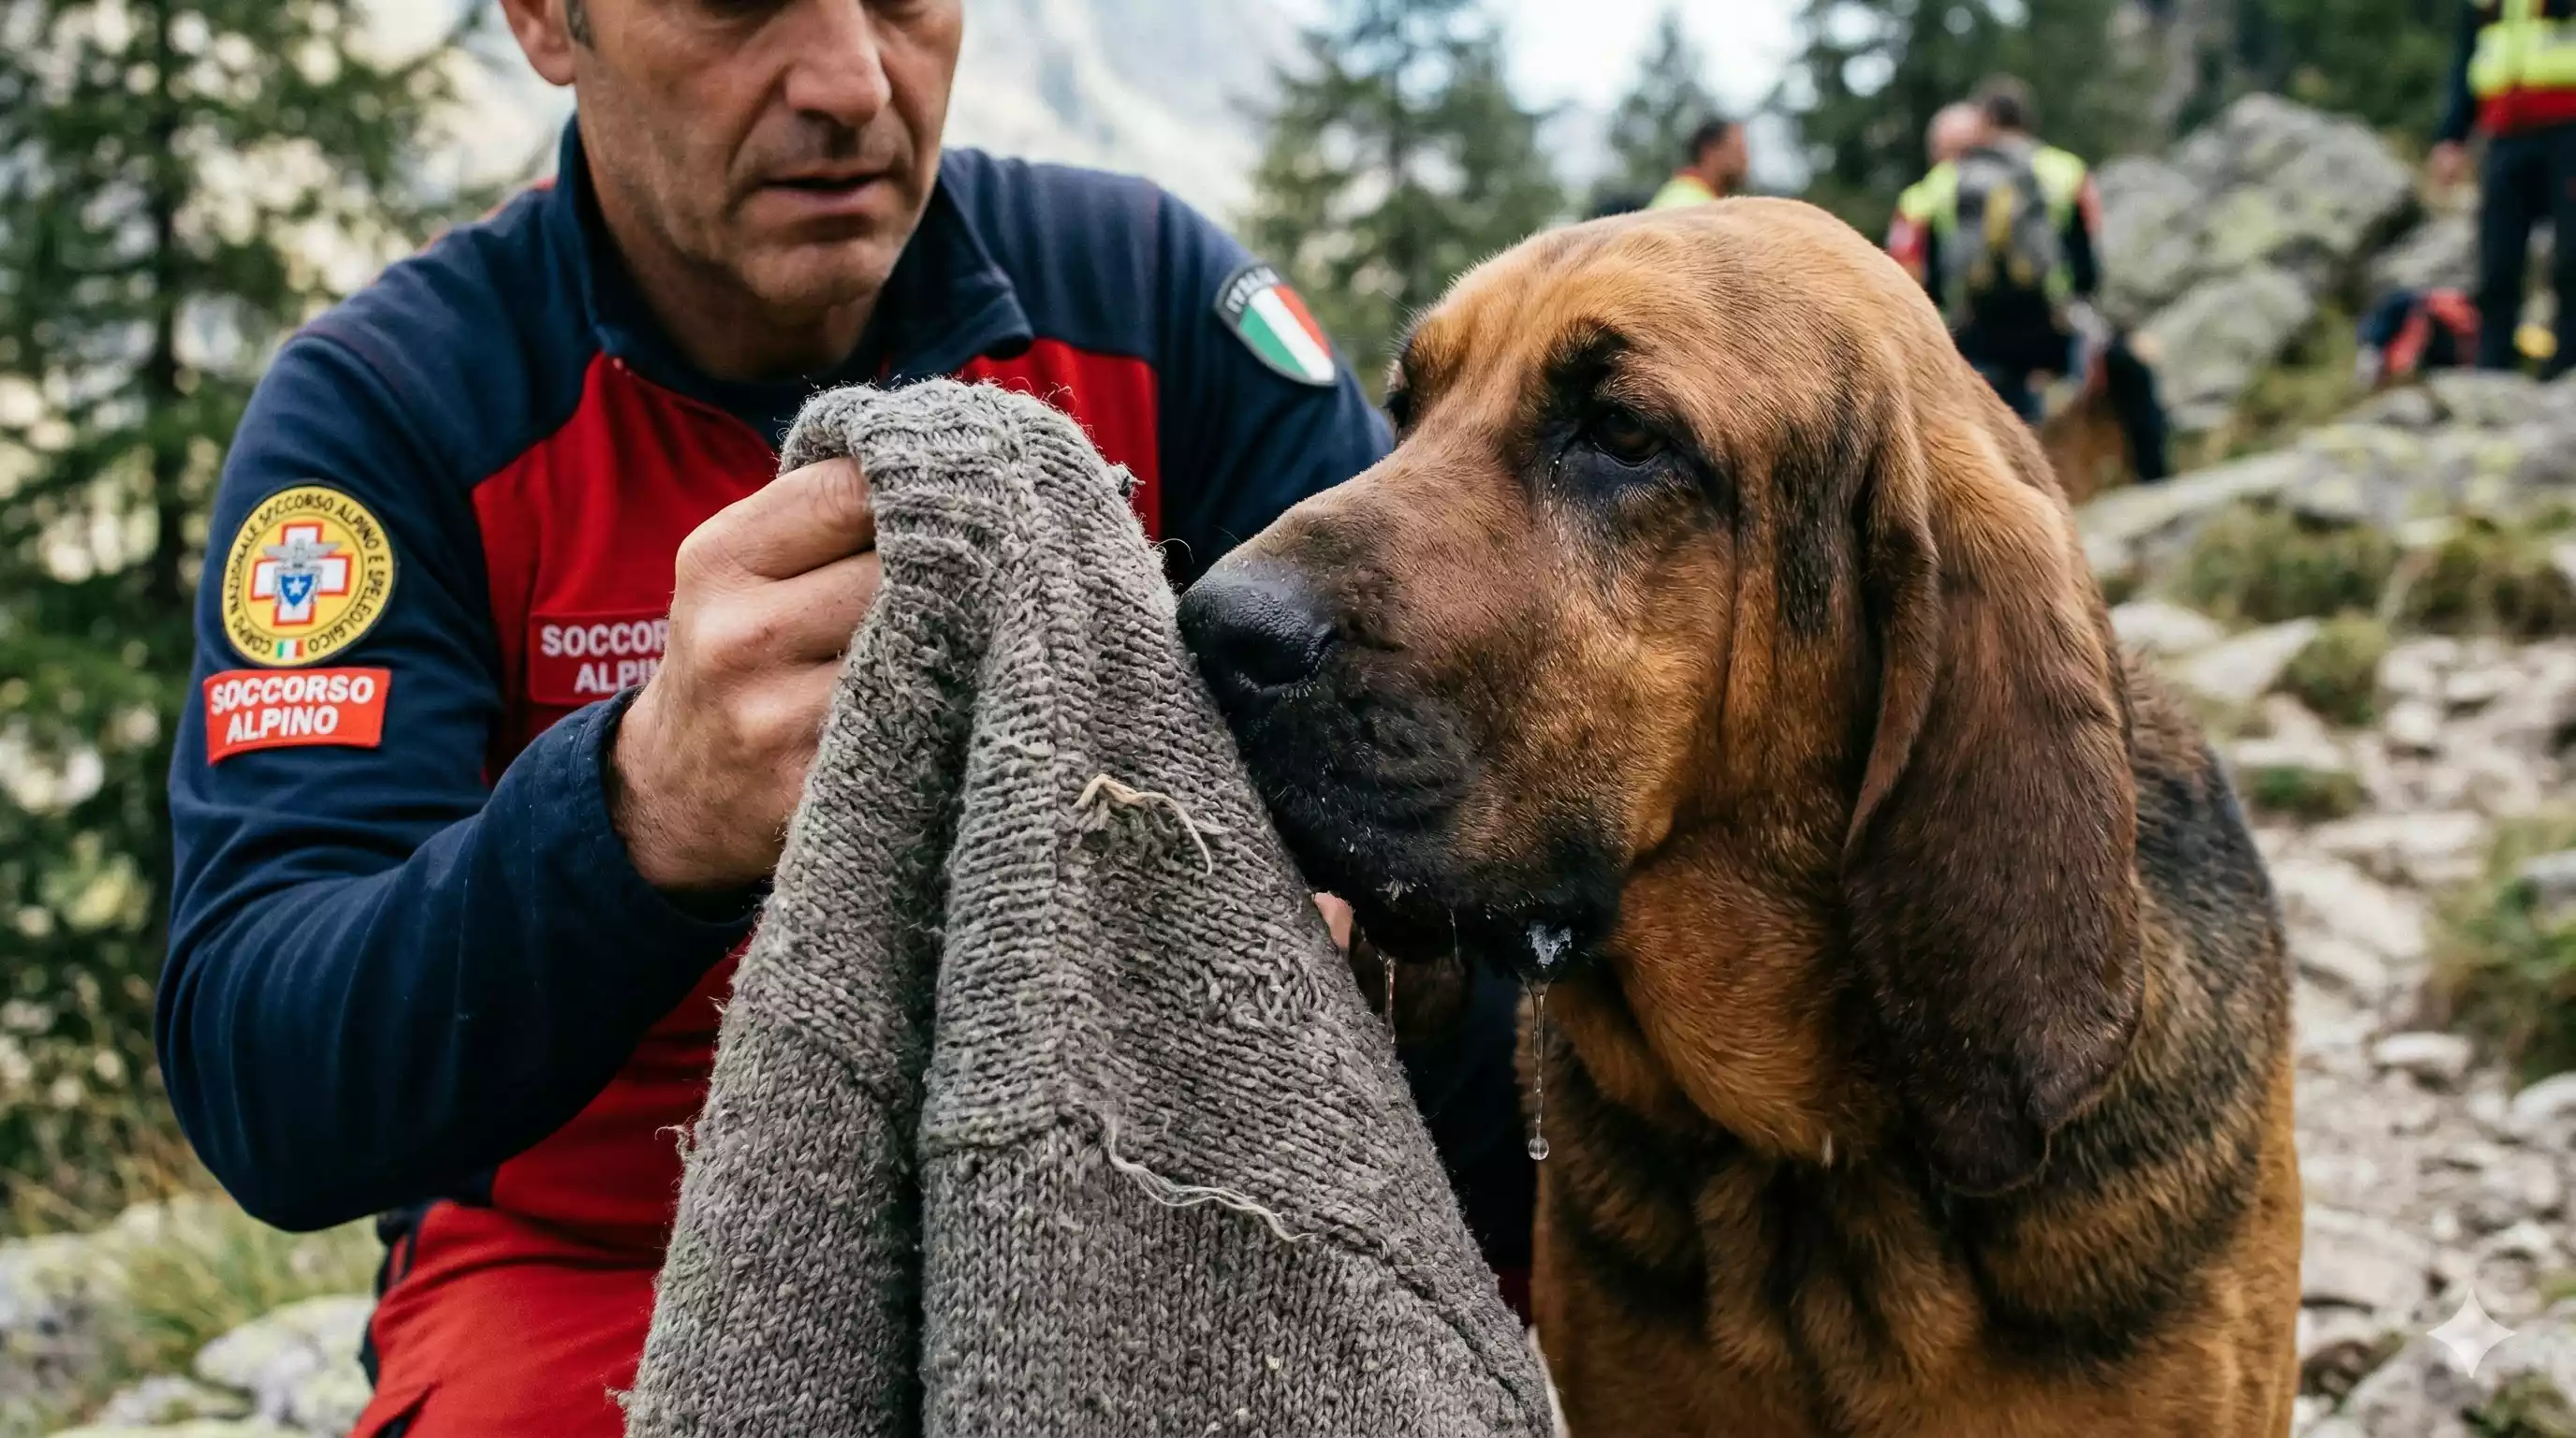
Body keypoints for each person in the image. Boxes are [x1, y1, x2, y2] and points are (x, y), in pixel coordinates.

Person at [158, 2, 1530, 1434]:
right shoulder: (393, 410)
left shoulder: (1150, 302)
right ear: (545, 24)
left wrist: (1376, 950)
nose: (851, 81)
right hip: (597, 1254)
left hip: (1155, 1186)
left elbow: (1483, 882)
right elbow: (268, 1068)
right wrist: (639, 809)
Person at [1886, 80, 2171, 481]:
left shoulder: (1933, 190)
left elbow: (1913, 279)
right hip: (2054, 332)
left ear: (1984, 123)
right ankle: (2154, 478)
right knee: (2133, 370)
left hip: (1976, 341)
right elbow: (2087, 269)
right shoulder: (2066, 171)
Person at [2429, 0, 2576, 378]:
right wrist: (2452, 136)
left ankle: (2565, 370)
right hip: (2505, 133)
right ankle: (2492, 370)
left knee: (2572, 259)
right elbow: (2467, 57)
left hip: (2570, 130)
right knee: (2497, 261)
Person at [1648, 117, 1750, 210]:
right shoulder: (1688, 204)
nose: (1745, 160)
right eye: (1738, 150)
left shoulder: (1683, 194)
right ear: (1709, 151)